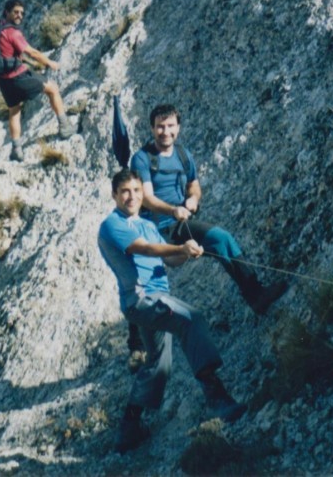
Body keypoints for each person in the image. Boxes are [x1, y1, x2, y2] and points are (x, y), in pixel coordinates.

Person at [98, 169, 248, 453]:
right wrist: (178, 246)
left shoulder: (148, 224)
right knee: (192, 320)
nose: (132, 197)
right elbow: (144, 249)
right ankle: (218, 399)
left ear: (143, 194)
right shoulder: (111, 225)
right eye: (125, 192)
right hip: (141, 298)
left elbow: (171, 259)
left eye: (136, 191)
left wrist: (188, 251)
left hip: (155, 297)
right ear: (114, 195)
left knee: (158, 364)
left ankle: (128, 429)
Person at [129, 104, 288, 316]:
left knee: (223, 240)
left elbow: (193, 184)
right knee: (138, 278)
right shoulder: (141, 159)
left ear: (179, 127)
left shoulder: (183, 155)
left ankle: (257, 296)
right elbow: (147, 198)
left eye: (170, 126)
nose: (165, 132)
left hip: (180, 222)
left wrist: (193, 198)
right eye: (160, 127)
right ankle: (138, 340)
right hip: (158, 228)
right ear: (151, 129)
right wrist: (174, 210)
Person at [0, 0, 72, 161]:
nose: (19, 15)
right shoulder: (12, 32)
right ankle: (65, 127)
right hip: (19, 76)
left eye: (21, 13)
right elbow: (32, 53)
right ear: (6, 12)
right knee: (53, 89)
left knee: (14, 112)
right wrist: (50, 62)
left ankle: (16, 150)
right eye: (16, 12)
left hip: (4, 82)